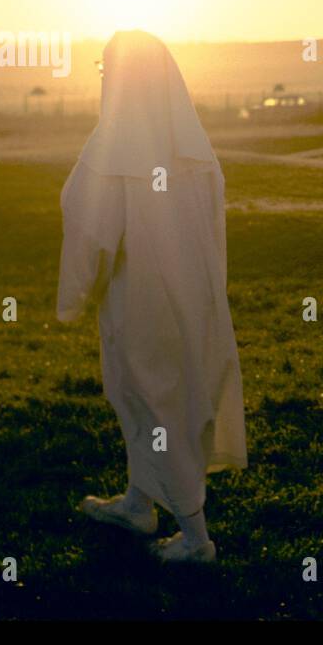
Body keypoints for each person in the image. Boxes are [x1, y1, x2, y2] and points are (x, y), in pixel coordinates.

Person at [57, 30, 245, 564]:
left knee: (155, 405)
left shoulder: (111, 150)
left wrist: (75, 296)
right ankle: (140, 502)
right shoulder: (197, 152)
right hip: (194, 302)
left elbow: (91, 235)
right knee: (165, 402)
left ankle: (195, 536)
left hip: (138, 303)